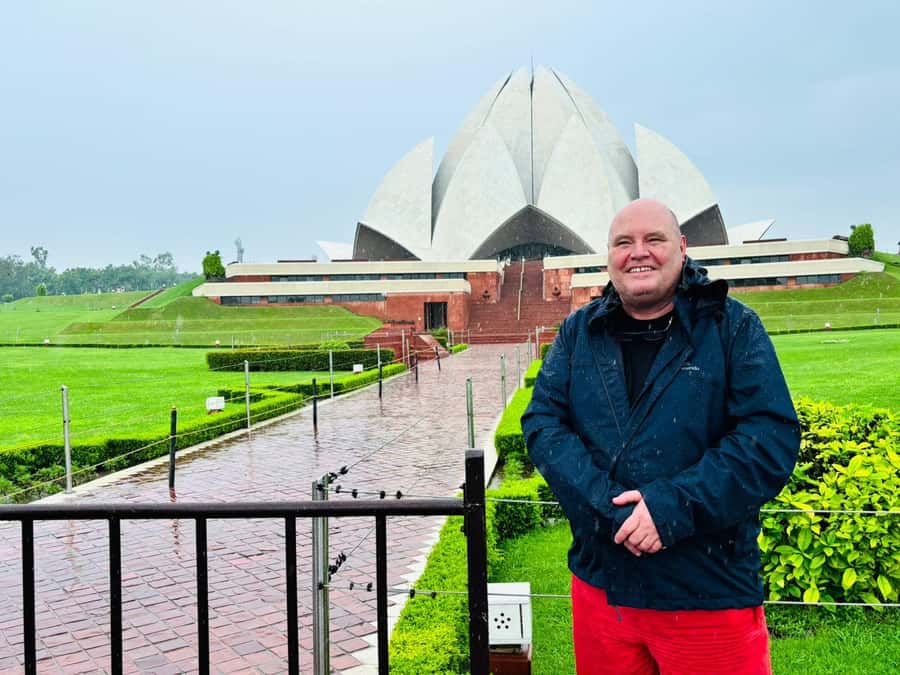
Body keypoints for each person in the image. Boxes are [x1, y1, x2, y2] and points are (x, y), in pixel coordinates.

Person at [522, 198, 800, 674]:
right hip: (602, 588)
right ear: (607, 254)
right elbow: (544, 425)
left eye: (654, 239)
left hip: (706, 591)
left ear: (683, 247)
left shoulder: (733, 328)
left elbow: (769, 438)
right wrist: (612, 510)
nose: (639, 253)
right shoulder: (578, 333)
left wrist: (671, 507)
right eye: (623, 242)